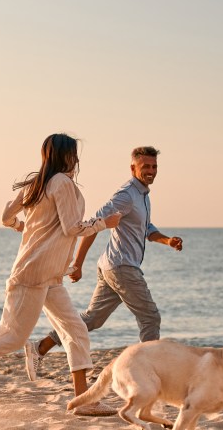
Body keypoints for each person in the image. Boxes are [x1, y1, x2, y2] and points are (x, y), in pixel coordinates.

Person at [0, 133, 122, 415]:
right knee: (13, 335)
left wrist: (24, 228)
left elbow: (6, 216)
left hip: (49, 275)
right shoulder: (61, 183)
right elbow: (72, 227)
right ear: (66, 156)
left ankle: (85, 400)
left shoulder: (37, 184)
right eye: (74, 154)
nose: (77, 159)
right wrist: (104, 223)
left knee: (76, 330)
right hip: (34, 274)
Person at [25, 146, 182, 380]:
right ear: (133, 168)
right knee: (150, 317)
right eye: (145, 167)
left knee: (92, 319)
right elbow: (95, 223)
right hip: (122, 267)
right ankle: (151, 372)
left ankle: (39, 348)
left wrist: (167, 240)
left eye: (154, 166)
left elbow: (146, 229)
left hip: (111, 266)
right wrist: (78, 263)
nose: (151, 171)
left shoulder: (142, 196)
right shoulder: (127, 194)